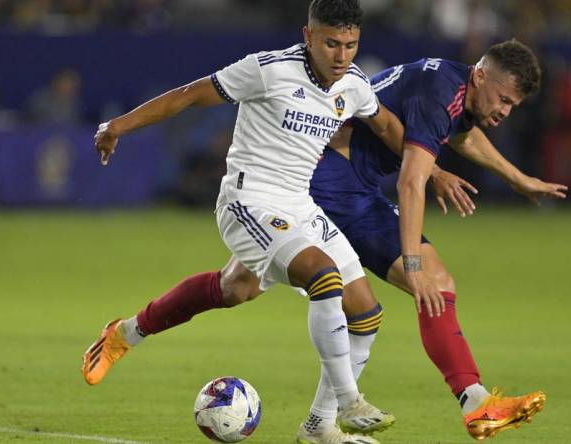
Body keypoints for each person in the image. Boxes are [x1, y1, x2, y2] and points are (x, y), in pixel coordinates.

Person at [85, 39, 567, 442]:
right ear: (482, 76)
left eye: (512, 106)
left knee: (236, 286)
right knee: (428, 283)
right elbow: (409, 182)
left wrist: (516, 177)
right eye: (504, 99)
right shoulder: (437, 90)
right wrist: (413, 263)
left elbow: (454, 132)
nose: (505, 112)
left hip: (338, 184)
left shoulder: (455, 87)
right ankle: (467, 404)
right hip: (332, 185)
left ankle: (125, 333)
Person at [82, 2, 409, 444]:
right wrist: (118, 125)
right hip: (247, 199)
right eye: (331, 43)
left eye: (350, 45)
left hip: (299, 206)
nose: (341, 55)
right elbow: (189, 95)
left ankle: (317, 428)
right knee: (323, 278)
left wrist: (432, 167)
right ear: (309, 36)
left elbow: (386, 123)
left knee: (358, 312)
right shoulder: (267, 69)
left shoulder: (353, 85)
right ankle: (350, 403)